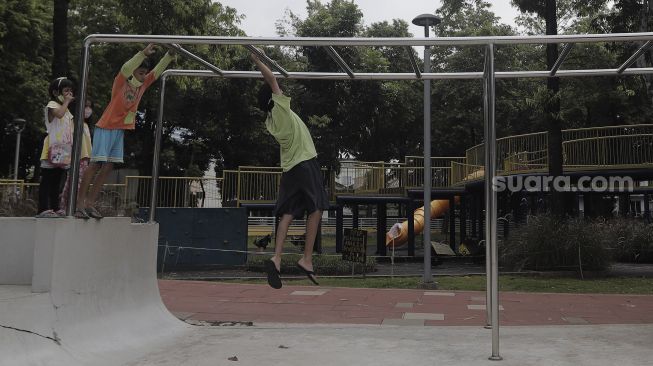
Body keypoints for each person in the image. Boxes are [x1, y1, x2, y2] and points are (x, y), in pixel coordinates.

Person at [250, 49, 329, 289]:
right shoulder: (281, 109)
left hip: (290, 168)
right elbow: (273, 80)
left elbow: (273, 84)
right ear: (274, 99)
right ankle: (306, 259)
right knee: (317, 209)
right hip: (305, 162)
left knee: (288, 213)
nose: (281, 91)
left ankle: (277, 257)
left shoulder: (270, 120)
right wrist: (257, 60)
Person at [75, 44, 174, 219]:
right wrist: (143, 54)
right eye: (141, 73)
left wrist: (169, 55)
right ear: (134, 72)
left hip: (119, 130)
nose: (144, 77)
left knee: (109, 166)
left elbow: (156, 73)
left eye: (145, 73)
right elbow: (125, 68)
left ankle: (90, 203)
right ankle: (79, 204)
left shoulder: (141, 87)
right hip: (105, 127)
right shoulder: (121, 83)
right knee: (95, 164)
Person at [37, 77, 75, 217]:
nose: (69, 94)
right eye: (66, 91)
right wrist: (66, 102)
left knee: (57, 180)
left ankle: (55, 207)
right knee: (47, 179)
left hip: (63, 150)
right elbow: (58, 115)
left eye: (70, 91)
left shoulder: (68, 111)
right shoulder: (52, 104)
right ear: (55, 92)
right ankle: (42, 208)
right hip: (51, 148)